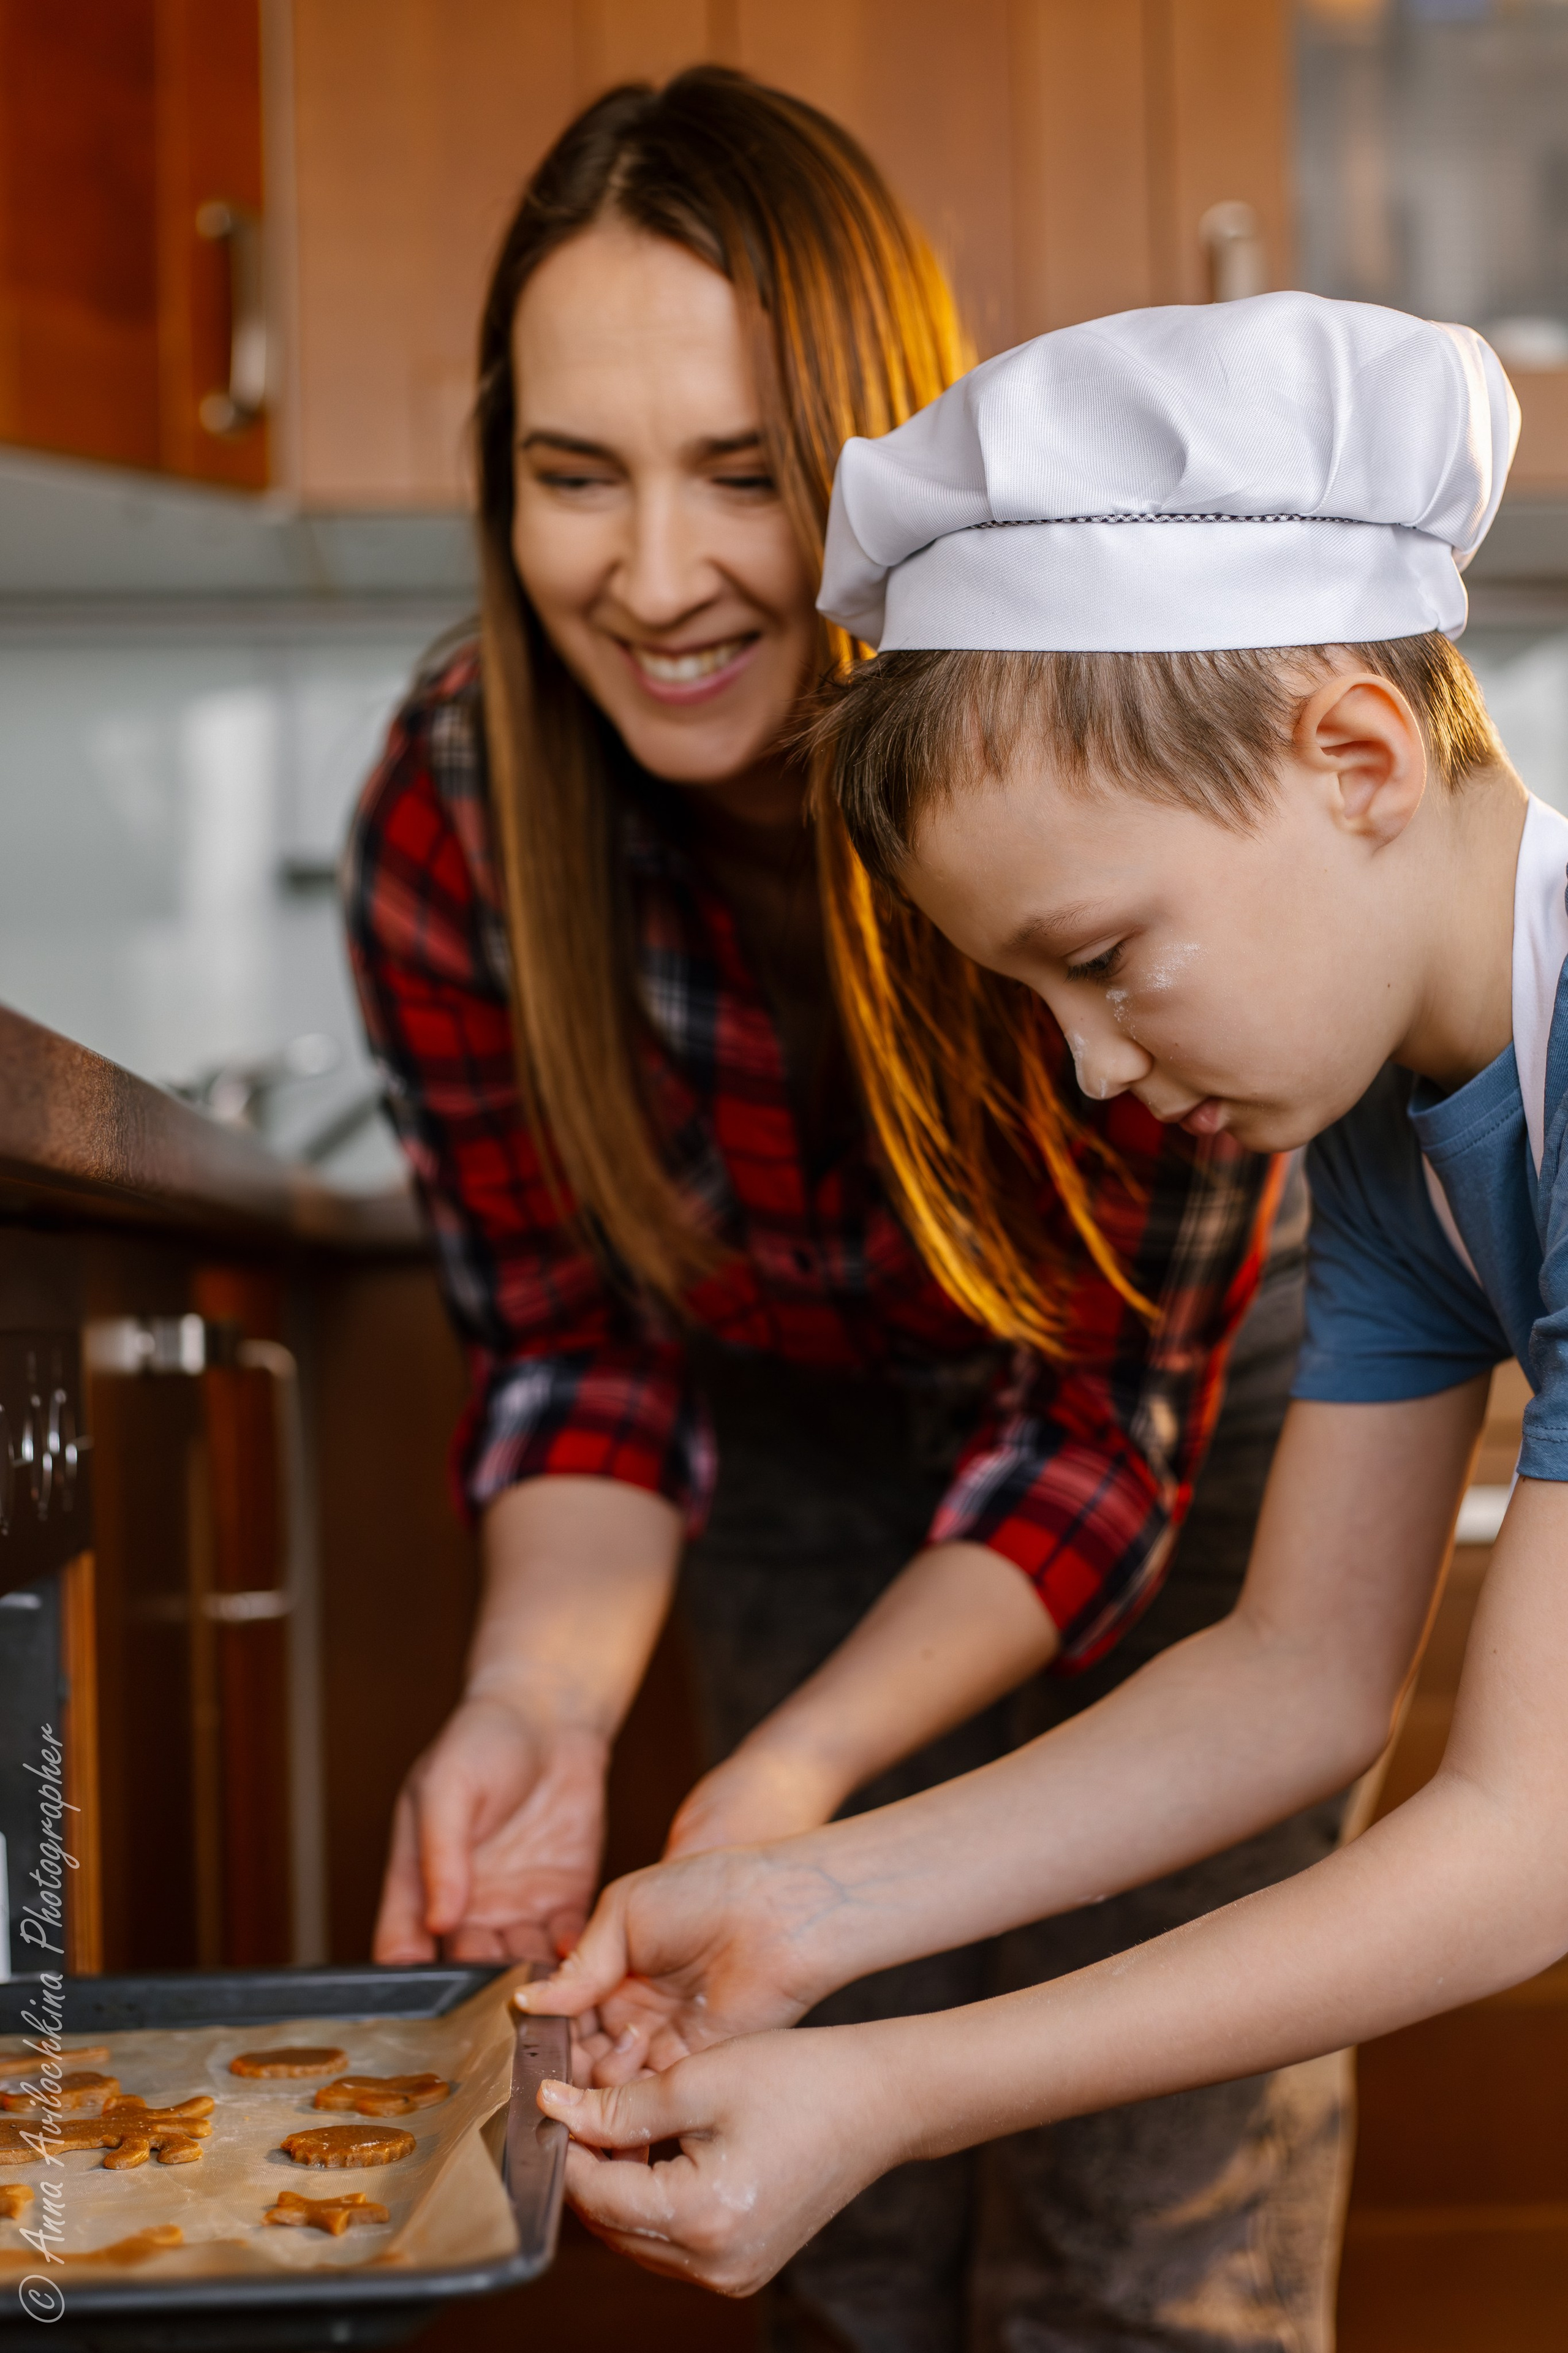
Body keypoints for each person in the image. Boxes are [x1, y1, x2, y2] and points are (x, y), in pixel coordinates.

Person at [346, 70, 1321, 2353]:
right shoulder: (457, 818)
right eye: (576, 473)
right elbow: (582, 1357)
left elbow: (1090, 1430)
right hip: (795, 1444)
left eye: (745, 471)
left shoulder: (1077, 764)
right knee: (813, 2202)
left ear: (874, 461)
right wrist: (538, 1708)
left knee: (1145, 2225)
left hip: (1179, 1465)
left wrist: (787, 1785)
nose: (658, 572)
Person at [515, 290, 1567, 2310]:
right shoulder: (1391, 1115)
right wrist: (805, 1902)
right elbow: (1297, 1677)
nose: (1090, 1070)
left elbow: (1527, 1837)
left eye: (1104, 956)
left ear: (1352, 754)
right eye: (1035, 997)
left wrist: (896, 2086)